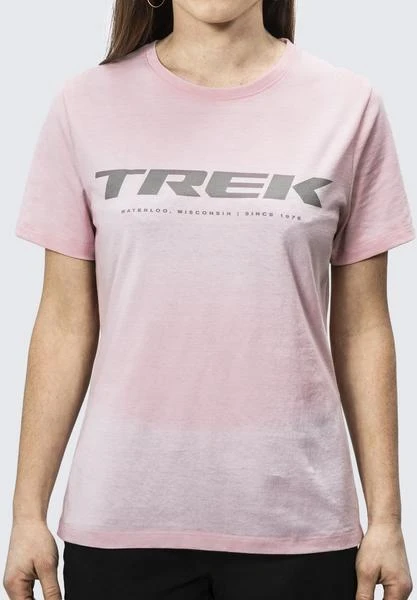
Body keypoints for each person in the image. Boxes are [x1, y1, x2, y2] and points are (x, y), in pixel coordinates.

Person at [3, 0, 415, 599]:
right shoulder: (84, 104)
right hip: (122, 522)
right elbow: (65, 324)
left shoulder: (349, 106)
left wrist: (387, 521)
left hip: (298, 526)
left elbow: (363, 328)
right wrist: (26, 514)